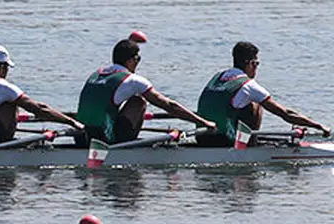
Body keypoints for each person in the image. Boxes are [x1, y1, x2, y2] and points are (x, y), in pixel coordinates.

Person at [76, 38, 214, 145]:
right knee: (139, 101)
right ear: (131, 60)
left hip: (81, 136)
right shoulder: (133, 80)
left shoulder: (96, 75)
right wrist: (204, 122)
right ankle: (127, 146)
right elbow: (169, 106)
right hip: (103, 140)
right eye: (138, 58)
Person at [0, 45, 84, 148]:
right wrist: (71, 122)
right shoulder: (1, 86)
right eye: (7, 68)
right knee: (12, 101)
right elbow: (39, 109)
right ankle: (7, 144)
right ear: (1, 68)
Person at [195, 41, 330, 147]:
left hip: (201, 137)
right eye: (257, 63)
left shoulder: (218, 76)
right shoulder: (249, 85)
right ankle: (250, 146)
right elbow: (285, 114)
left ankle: (245, 139)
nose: (257, 68)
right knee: (256, 103)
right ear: (250, 63)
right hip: (224, 141)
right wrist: (318, 126)